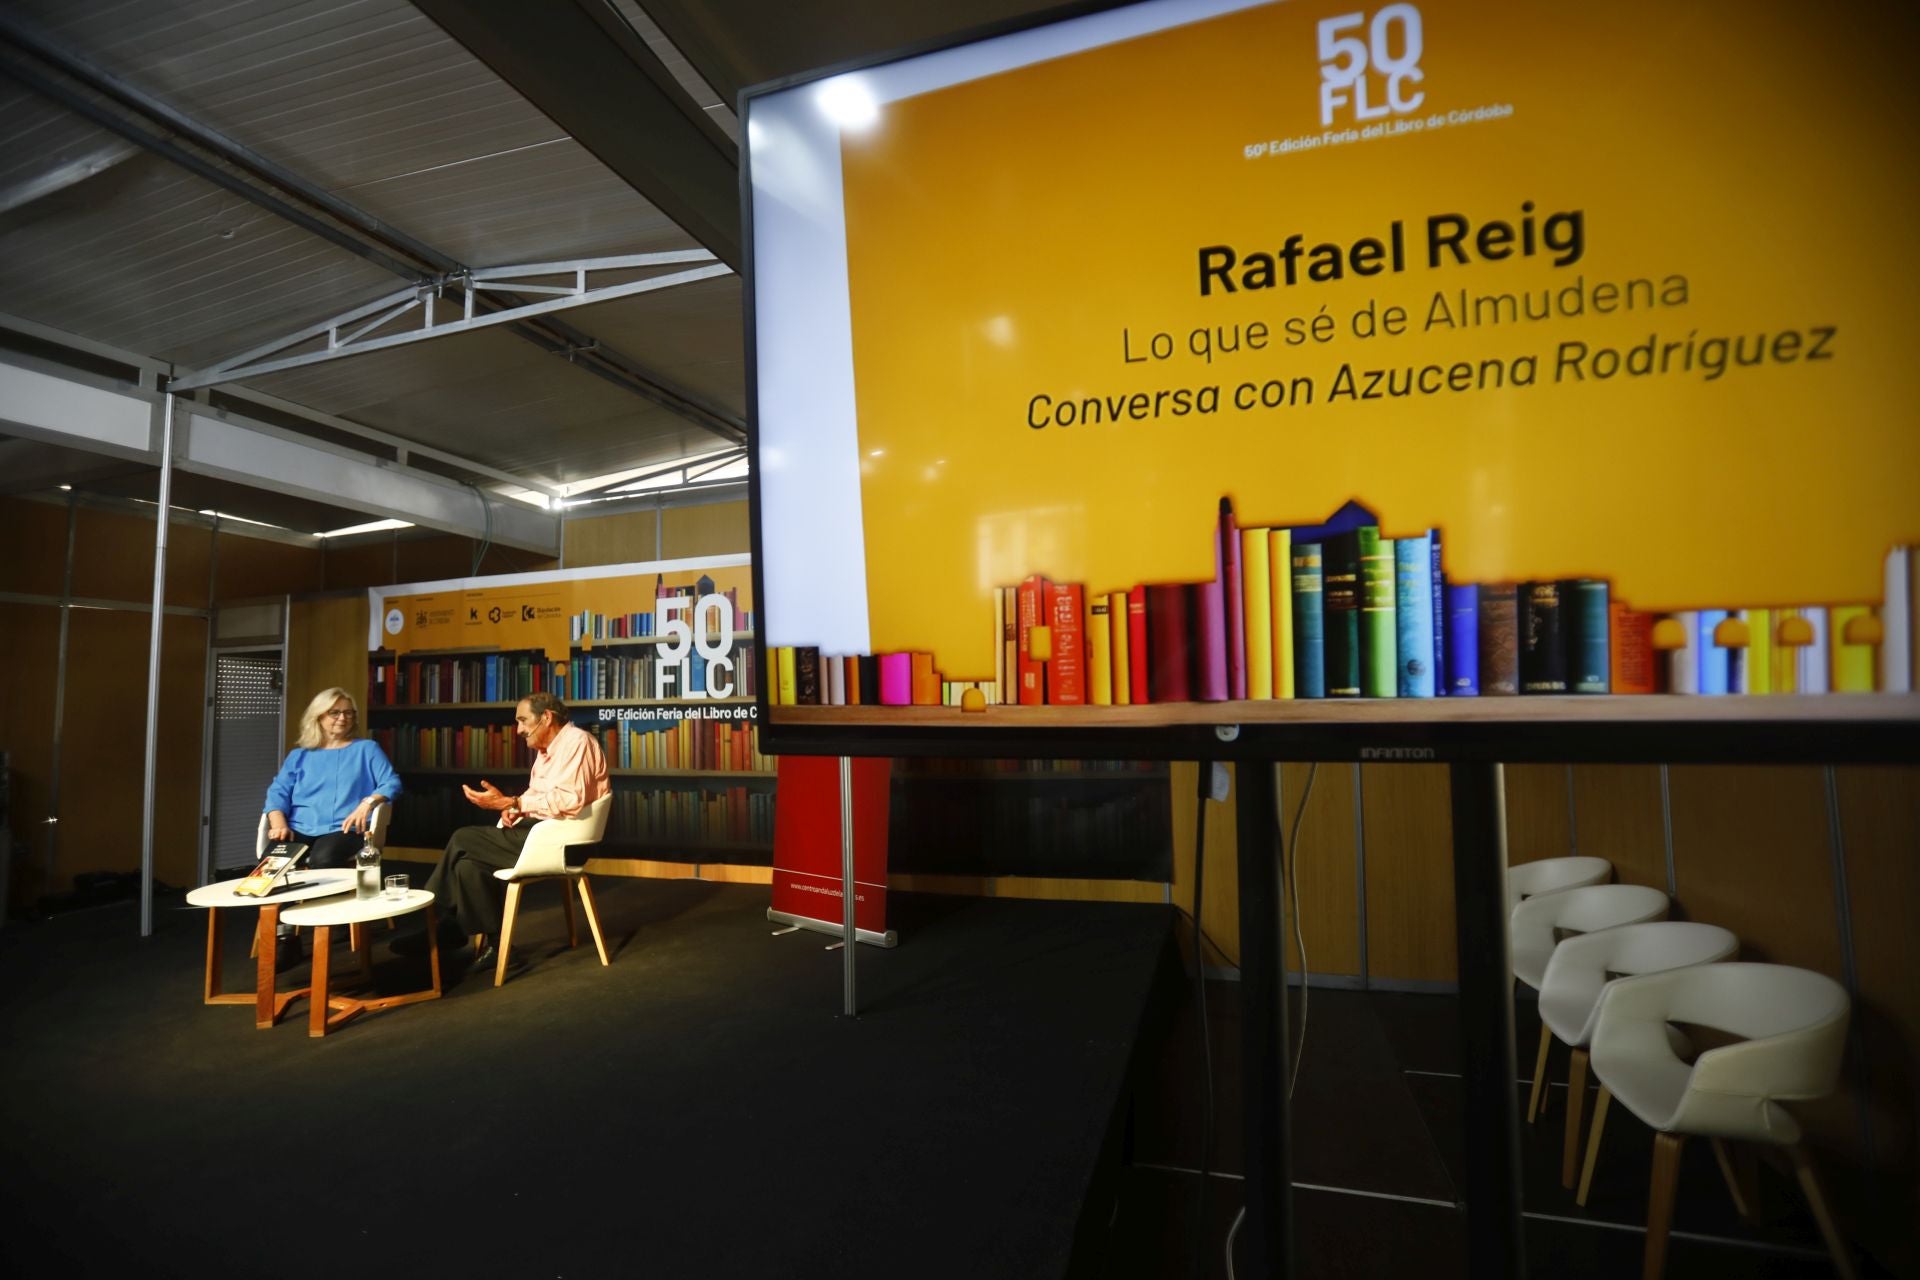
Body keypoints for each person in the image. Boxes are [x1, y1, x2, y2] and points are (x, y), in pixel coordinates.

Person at [427, 691, 610, 966]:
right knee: (468, 865)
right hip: (542, 833)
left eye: (523, 720)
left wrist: (516, 801)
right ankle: (499, 946)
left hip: (567, 842)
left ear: (546, 717)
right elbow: (538, 796)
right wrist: (514, 808)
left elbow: (569, 800)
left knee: (463, 838)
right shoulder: (545, 753)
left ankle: (439, 922)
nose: (519, 730)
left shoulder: (577, 742)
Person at [264, 687, 401, 869]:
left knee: (323, 859)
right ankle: (289, 899)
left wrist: (367, 803)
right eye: (334, 713)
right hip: (299, 827)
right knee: (271, 864)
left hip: (345, 828)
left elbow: (391, 783)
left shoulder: (367, 749)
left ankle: (318, 898)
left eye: (348, 713)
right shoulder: (299, 755)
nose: (343, 718)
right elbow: (277, 793)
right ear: (318, 716)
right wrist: (279, 824)